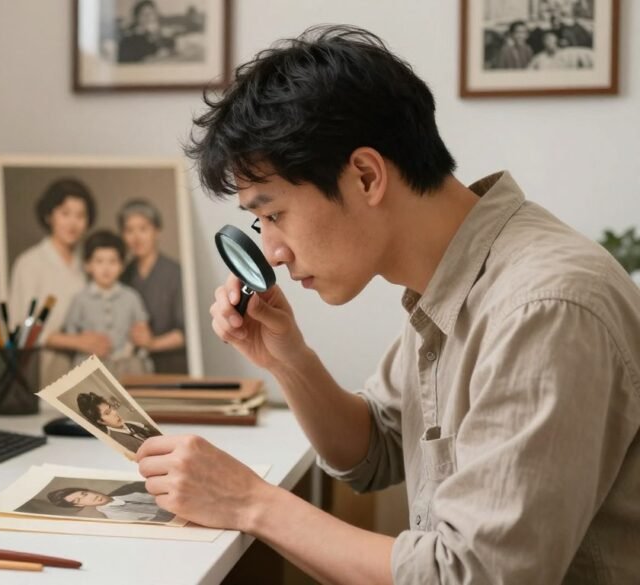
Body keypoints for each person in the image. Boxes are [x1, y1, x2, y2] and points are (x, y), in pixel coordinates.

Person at [135, 25, 640, 583]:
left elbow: (471, 576)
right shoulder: (453, 280)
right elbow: (373, 451)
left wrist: (250, 503)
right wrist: (287, 359)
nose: (273, 252)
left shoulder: (542, 308)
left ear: (366, 176)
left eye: (274, 214)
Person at [8, 178, 94, 385]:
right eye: (65, 213)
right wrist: (76, 341)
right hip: (42, 369)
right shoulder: (29, 263)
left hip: (83, 370)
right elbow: (20, 326)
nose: (73, 223)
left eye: (80, 215)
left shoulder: (87, 264)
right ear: (49, 216)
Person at [53, 230, 153, 376]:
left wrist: (139, 342)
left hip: (125, 363)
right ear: (88, 265)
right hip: (92, 366)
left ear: (122, 265)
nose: (106, 268)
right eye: (99, 261)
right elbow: (71, 331)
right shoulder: (80, 299)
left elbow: (141, 328)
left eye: (112, 261)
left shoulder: (131, 297)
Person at [119, 200, 188, 373]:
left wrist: (152, 343)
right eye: (129, 230)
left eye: (143, 229)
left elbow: (188, 332)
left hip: (172, 368)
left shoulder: (175, 273)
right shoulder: (122, 276)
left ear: (157, 230)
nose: (136, 237)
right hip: (132, 369)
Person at [47, 481, 174, 522]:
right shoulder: (117, 517)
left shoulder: (128, 488)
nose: (90, 497)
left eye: (85, 494)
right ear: (79, 505)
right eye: (80, 500)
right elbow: (162, 521)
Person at [76, 391, 159, 453]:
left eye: (111, 408)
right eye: (107, 413)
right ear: (100, 421)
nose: (114, 412)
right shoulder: (117, 441)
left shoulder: (128, 424)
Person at [529, 30, 594, 69]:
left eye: (551, 40)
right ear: (543, 43)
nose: (549, 43)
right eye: (547, 40)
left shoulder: (568, 54)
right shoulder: (539, 58)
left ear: (556, 41)